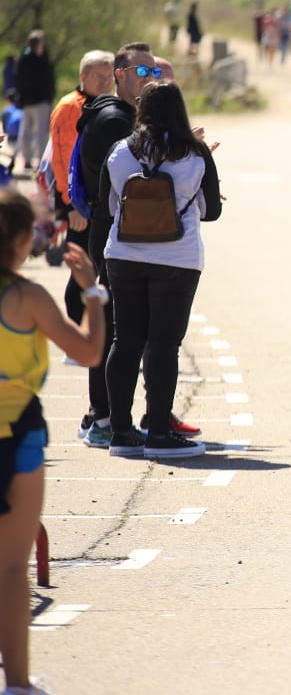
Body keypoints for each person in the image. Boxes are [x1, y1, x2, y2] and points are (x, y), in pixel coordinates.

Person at [0, 187, 107, 695]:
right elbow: (88, 352)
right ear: (23, 240)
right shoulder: (27, 298)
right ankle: (16, 682)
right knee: (11, 566)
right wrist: (92, 291)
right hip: (16, 439)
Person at [100, 81, 221, 460]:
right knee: (164, 344)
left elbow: (107, 207)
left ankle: (121, 431)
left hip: (123, 256)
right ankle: (158, 431)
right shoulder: (196, 152)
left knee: (126, 340)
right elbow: (212, 210)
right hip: (176, 258)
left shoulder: (120, 151)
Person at [73, 43, 164, 447]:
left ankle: (107, 414)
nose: (150, 79)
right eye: (142, 72)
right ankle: (104, 416)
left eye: (154, 72)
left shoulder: (125, 115)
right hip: (110, 233)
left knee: (121, 328)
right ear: (120, 74)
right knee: (115, 329)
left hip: (118, 232)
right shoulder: (114, 120)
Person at [49, 50, 114, 365]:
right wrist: (69, 205)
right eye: (99, 76)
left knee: (97, 268)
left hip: (95, 203)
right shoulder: (70, 108)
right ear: (84, 76)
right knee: (81, 267)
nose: (106, 82)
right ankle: (75, 340)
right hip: (76, 205)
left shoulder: (105, 107)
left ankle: (91, 337)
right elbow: (61, 160)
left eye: (109, 76)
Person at [14, 32, 54, 174]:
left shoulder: (22, 59)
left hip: (26, 102)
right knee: (41, 133)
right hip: (40, 101)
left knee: (25, 131)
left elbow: (17, 80)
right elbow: (47, 81)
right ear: (39, 45)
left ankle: (26, 159)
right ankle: (41, 161)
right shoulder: (40, 60)